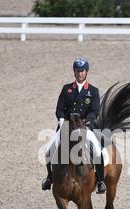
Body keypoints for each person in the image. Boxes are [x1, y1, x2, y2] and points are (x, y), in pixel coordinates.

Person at [42, 58, 107, 194]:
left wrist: (86, 121)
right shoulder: (67, 89)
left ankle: (100, 181)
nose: (80, 74)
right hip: (66, 125)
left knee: (96, 149)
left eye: (82, 71)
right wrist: (61, 121)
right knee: (49, 149)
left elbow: (95, 110)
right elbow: (59, 108)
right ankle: (49, 178)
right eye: (77, 71)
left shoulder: (93, 91)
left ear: (86, 72)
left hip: (84, 126)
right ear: (74, 72)